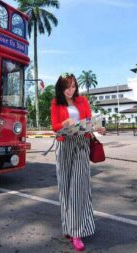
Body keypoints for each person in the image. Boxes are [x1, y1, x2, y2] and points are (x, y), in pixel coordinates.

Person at [50, 73, 105, 252]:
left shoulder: (82, 101)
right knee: (65, 188)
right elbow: (55, 126)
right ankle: (69, 226)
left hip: (81, 144)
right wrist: (64, 123)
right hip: (64, 145)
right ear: (61, 88)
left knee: (79, 188)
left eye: (73, 86)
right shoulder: (55, 103)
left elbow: (89, 121)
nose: (70, 90)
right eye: (67, 87)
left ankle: (77, 233)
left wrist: (99, 128)